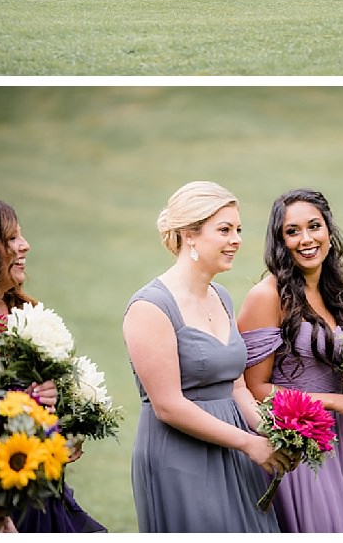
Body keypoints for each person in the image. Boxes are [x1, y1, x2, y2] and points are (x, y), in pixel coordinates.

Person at [123, 181, 293, 533]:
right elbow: (167, 405)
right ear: (190, 235)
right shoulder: (150, 307)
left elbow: (236, 387)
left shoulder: (222, 296)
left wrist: (274, 431)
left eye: (238, 230)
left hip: (232, 447)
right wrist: (249, 443)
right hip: (180, 457)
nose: (236, 240)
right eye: (225, 230)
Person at [237, 188, 343, 533]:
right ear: (279, 240)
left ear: (329, 232)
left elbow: (323, 370)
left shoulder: (334, 291)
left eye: (314, 226)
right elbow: (256, 388)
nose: (306, 239)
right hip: (294, 444)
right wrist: (340, 402)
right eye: (292, 231)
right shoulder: (266, 297)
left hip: (334, 438)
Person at [0, 197, 106, 533]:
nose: (25, 246)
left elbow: (44, 396)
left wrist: (63, 417)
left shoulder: (24, 313)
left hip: (41, 487)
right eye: (12, 239)